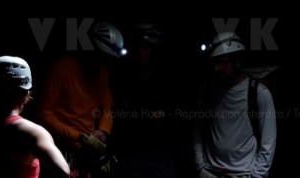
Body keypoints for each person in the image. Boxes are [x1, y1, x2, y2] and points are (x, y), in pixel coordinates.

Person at [37, 20, 125, 178]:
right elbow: (44, 114)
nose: (105, 61)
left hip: (88, 149)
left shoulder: (103, 73)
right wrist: (76, 135)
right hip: (60, 147)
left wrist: (103, 131)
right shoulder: (61, 69)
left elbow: (107, 108)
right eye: (103, 56)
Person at [193, 31, 277, 178]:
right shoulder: (207, 91)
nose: (217, 68)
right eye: (215, 62)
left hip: (243, 174)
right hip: (210, 171)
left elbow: (268, 141)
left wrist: (258, 175)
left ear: (237, 61)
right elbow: (197, 129)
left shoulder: (259, 93)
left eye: (222, 62)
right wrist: (200, 167)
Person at [113, 22, 179, 178]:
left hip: (161, 155)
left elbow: (178, 114)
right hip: (131, 154)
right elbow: (117, 113)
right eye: (137, 47)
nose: (140, 52)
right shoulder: (122, 79)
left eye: (145, 48)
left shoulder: (166, 80)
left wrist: (164, 115)